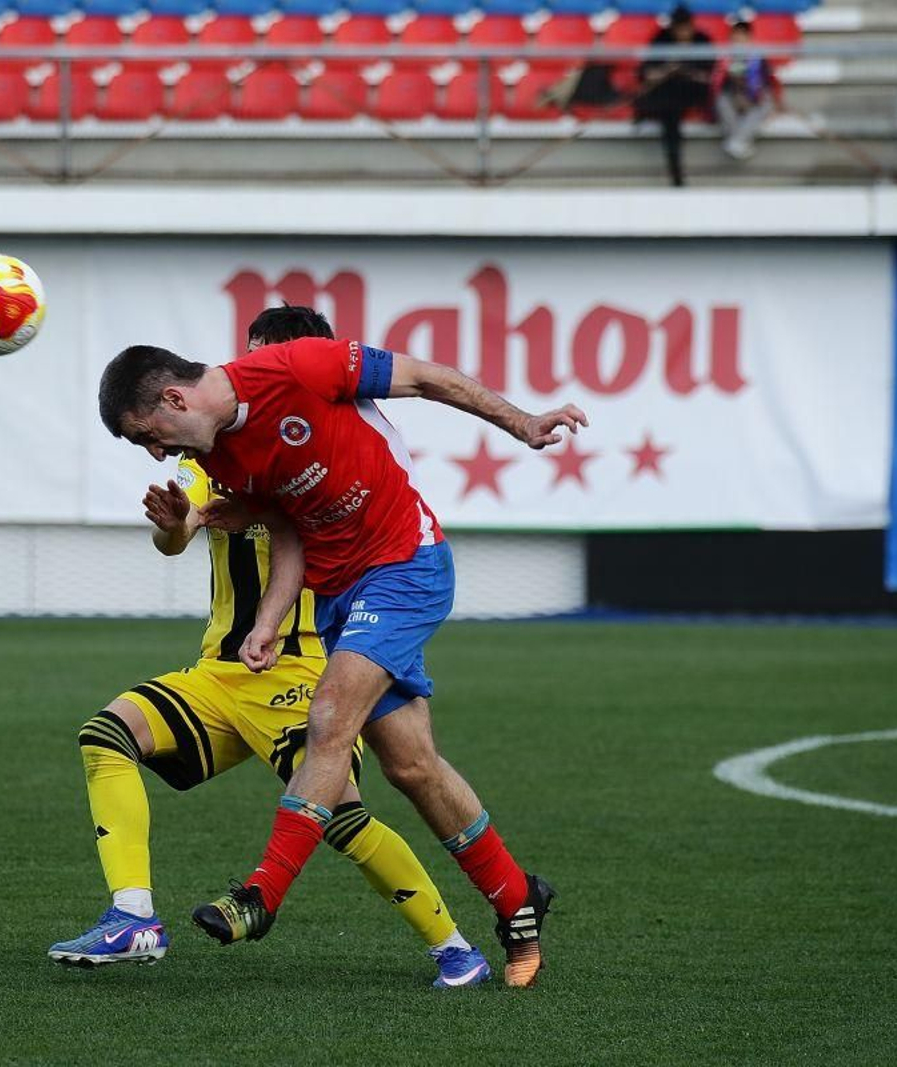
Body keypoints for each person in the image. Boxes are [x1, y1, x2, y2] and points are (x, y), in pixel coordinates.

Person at [96, 330, 587, 988]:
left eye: (146, 434)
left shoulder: (299, 367)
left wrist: (521, 421)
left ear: (175, 397)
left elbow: (425, 376)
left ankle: (260, 896)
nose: (156, 452)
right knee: (413, 767)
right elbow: (292, 531)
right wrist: (267, 624)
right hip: (338, 598)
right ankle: (516, 897)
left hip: (406, 565)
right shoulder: (227, 460)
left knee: (329, 718)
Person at [634, 4, 716, 186]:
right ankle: (675, 169)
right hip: (667, 91)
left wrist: (687, 70)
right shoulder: (661, 39)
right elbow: (646, 74)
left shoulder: (702, 40)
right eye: (679, 29)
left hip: (692, 90)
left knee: (670, 104)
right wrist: (667, 68)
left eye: (686, 28)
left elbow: (711, 76)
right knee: (668, 110)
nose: (683, 33)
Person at [712, 17, 784, 160]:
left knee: (765, 103)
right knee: (721, 101)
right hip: (734, 98)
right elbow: (722, 85)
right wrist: (738, 95)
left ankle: (735, 141)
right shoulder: (725, 59)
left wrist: (751, 97)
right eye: (735, 35)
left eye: (742, 35)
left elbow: (766, 82)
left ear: (749, 37)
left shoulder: (759, 58)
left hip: (754, 99)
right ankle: (739, 142)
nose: (738, 38)